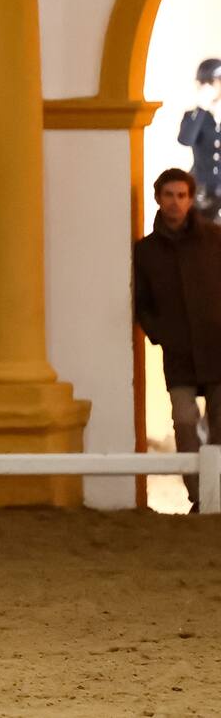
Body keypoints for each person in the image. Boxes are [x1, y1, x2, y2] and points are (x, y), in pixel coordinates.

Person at [133, 167, 221, 512]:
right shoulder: (146, 251)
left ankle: (217, 498)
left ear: (190, 198)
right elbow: (142, 303)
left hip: (218, 348)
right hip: (179, 355)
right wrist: (162, 334)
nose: (175, 202)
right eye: (168, 195)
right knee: (184, 425)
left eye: (181, 195)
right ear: (158, 198)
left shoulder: (215, 240)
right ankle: (199, 497)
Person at [177, 58, 221, 224]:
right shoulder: (195, 116)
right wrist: (202, 106)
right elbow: (185, 139)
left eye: (213, 82)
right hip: (201, 188)